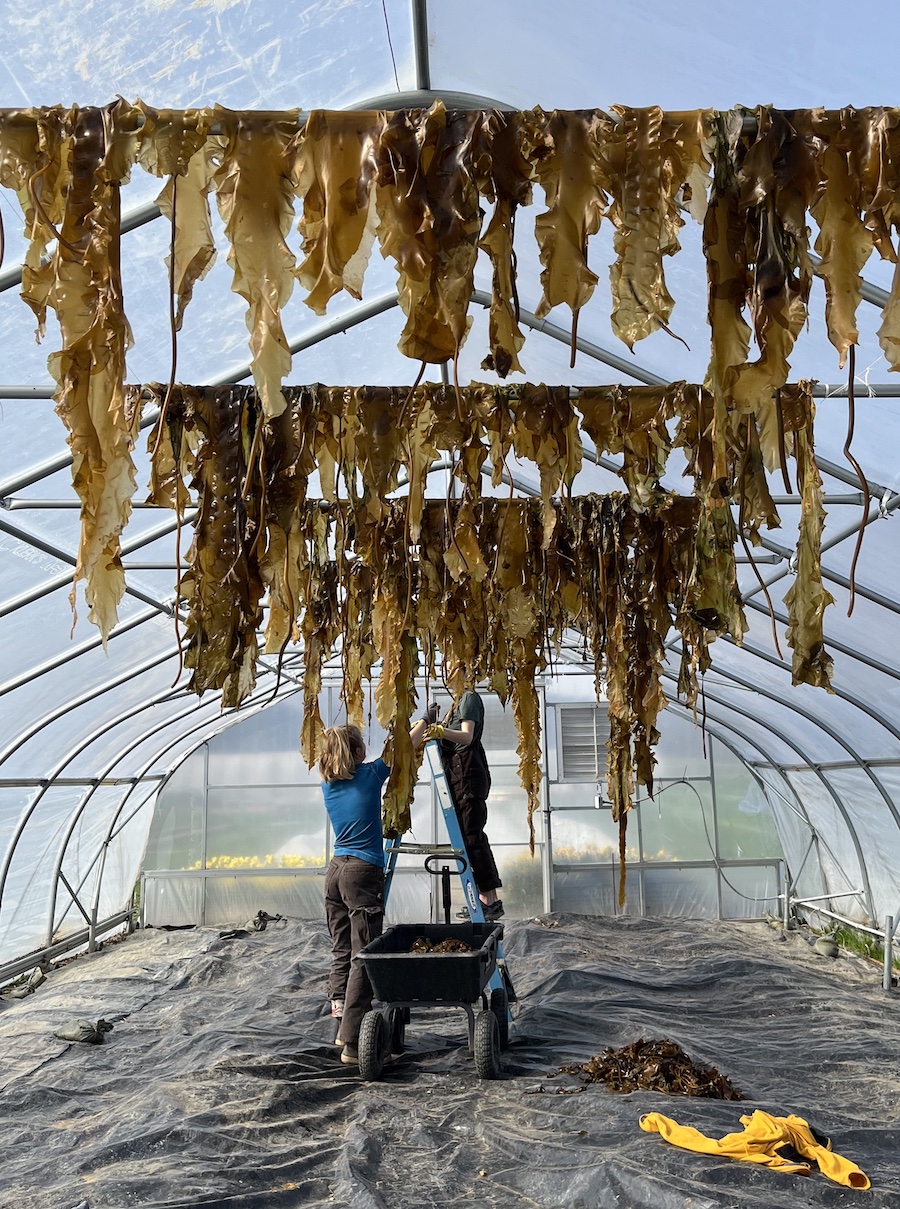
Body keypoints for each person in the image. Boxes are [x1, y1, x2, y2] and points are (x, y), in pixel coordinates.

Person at [318, 724, 393, 1067]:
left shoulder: (328, 783)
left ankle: (339, 1024)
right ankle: (351, 1043)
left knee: (342, 949)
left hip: (334, 872)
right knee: (364, 955)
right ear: (358, 752)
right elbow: (403, 747)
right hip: (362, 873)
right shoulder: (370, 776)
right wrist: (422, 721)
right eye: (362, 743)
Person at [425, 669, 503, 921]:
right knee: (468, 836)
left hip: (468, 773)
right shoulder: (456, 703)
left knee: (472, 836)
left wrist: (441, 731)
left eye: (451, 668)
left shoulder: (469, 698)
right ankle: (484, 899)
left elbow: (467, 736)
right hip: (459, 773)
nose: (446, 672)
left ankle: (489, 900)